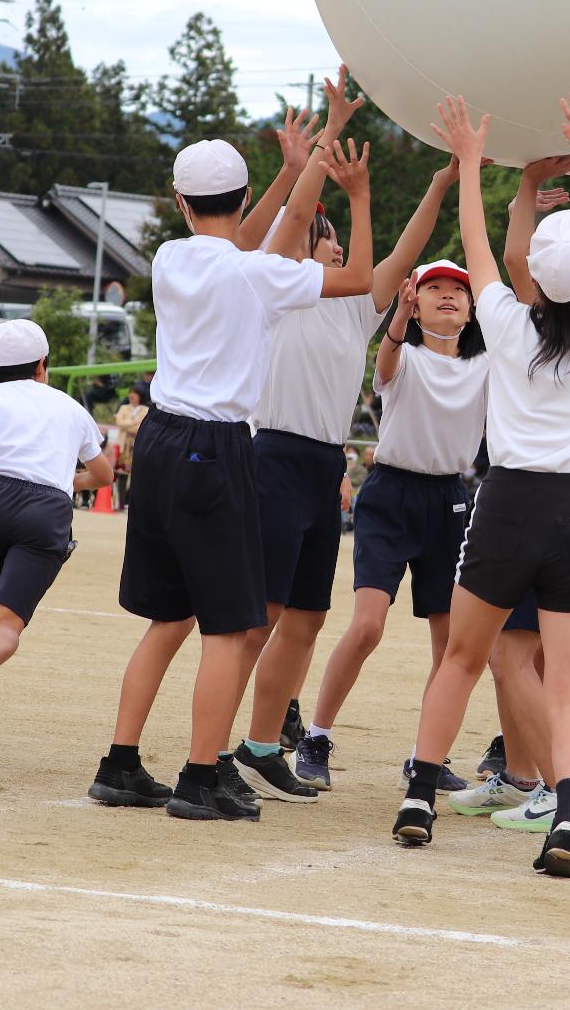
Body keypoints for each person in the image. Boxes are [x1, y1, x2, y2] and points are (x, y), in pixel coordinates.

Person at [390, 92, 570, 881]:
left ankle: (419, 798)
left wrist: (474, 161)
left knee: (461, 659)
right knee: (567, 690)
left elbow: (480, 246)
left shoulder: (500, 319)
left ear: (533, 268)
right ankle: (568, 815)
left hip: (503, 503)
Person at [89, 133, 371, 823]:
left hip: (157, 438)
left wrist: (295, 174)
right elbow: (359, 275)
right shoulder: (256, 274)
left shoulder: (169, 257)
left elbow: (245, 236)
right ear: (243, 196)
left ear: (180, 201)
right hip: (216, 447)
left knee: (168, 618)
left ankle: (120, 763)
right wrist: (344, 190)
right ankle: (199, 775)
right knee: (226, 626)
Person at [233, 100, 457, 804]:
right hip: (272, 455)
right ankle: (211, 751)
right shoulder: (277, 293)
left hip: (324, 465)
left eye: (333, 239)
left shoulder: (357, 309)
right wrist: (321, 147)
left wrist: (443, 182)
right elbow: (288, 222)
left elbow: (401, 255)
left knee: (305, 620)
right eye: (319, 236)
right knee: (258, 620)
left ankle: (263, 745)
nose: (327, 244)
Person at [301, 254, 488, 797]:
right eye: (433, 288)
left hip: (451, 500)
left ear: (474, 308)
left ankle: (425, 756)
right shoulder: (403, 356)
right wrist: (398, 321)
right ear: (414, 297)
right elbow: (384, 363)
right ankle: (316, 736)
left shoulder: (485, 364)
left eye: (458, 289)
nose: (447, 295)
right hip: (390, 495)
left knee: (450, 644)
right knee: (367, 627)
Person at [0, 319, 112, 744]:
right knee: (7, 624)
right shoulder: (71, 408)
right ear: (42, 365)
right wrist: (70, 481)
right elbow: (102, 475)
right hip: (49, 509)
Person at [112, 385, 149, 511]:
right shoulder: (123, 408)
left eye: (135, 393)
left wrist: (127, 425)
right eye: (130, 393)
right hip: (123, 447)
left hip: (138, 446)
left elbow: (142, 427)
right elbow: (118, 423)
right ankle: (120, 503)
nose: (131, 396)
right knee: (121, 474)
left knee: (138, 476)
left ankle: (134, 504)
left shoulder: (146, 410)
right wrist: (134, 423)